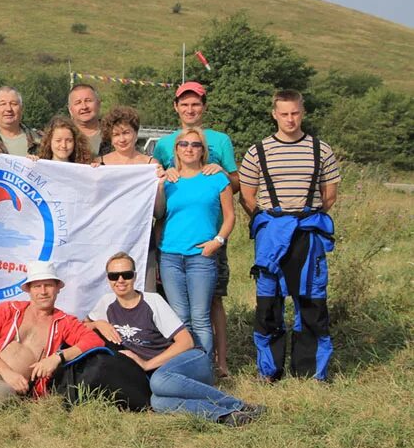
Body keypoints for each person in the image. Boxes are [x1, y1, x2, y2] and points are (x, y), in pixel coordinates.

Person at [85, 252, 263, 425]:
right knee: (157, 403)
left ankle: (237, 404)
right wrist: (98, 324)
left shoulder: (152, 301)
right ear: (108, 279)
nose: (120, 280)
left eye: (126, 274)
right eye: (114, 276)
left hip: (190, 361)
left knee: (158, 381)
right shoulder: (106, 303)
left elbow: (186, 341)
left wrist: (146, 364)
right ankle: (226, 416)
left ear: (135, 276)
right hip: (164, 377)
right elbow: (83, 326)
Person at [240, 90, 340, 382]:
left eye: (295, 113)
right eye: (284, 114)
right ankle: (269, 371)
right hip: (271, 235)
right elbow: (247, 197)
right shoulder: (257, 151)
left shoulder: (321, 150)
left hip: (307, 232)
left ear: (302, 113)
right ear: (274, 114)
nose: (290, 119)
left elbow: (329, 195)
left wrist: (301, 215)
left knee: (311, 300)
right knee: (268, 303)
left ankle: (309, 372)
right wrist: (273, 223)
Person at [0, 261, 104, 420]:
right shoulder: (9, 309)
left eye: (49, 285)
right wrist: (6, 371)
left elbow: (93, 340)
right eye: (37, 286)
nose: (43, 291)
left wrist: (57, 357)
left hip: (13, 383)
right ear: (29, 289)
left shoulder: (64, 321)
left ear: (58, 288)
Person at [153, 82, 238, 377]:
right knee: (180, 314)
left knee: (209, 306)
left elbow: (233, 191)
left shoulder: (221, 143)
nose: (190, 109)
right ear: (176, 107)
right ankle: (184, 364)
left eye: (196, 104)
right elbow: (153, 185)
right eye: (184, 104)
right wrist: (163, 172)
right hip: (171, 251)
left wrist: (222, 173)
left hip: (207, 245)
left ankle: (217, 363)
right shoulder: (163, 144)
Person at [97, 105, 165, 289]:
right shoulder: (98, 164)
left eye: (126, 132)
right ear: (110, 138)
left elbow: (159, 212)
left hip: (141, 239)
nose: (122, 139)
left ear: (136, 133)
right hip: (106, 238)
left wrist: (159, 186)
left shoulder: (151, 164)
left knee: (145, 291)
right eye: (116, 134)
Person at [67, 83, 110, 157]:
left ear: (98, 104)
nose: (84, 107)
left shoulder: (113, 132)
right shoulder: (60, 136)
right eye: (78, 103)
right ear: (70, 110)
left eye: (88, 100)